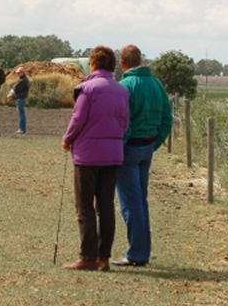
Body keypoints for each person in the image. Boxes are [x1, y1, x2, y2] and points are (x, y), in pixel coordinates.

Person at [61, 46, 129, 271]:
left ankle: (87, 257)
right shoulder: (121, 91)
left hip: (88, 156)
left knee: (85, 207)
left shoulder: (86, 89)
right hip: (113, 156)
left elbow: (78, 119)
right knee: (106, 206)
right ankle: (104, 257)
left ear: (93, 64)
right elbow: (124, 123)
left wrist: (67, 139)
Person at [111, 44, 173, 267]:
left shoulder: (125, 86)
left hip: (130, 149)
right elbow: (167, 117)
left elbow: (123, 122)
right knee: (140, 200)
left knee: (130, 203)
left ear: (123, 63)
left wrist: (121, 145)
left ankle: (137, 253)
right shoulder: (157, 85)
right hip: (148, 147)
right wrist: (156, 143)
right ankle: (142, 250)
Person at [10, 66, 30, 134]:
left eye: (19, 73)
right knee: (21, 114)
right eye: (17, 73)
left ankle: (22, 129)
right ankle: (22, 128)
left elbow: (16, 88)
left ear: (22, 73)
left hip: (20, 99)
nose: (18, 74)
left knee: (21, 114)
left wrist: (11, 95)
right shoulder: (25, 80)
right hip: (22, 98)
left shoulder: (23, 80)